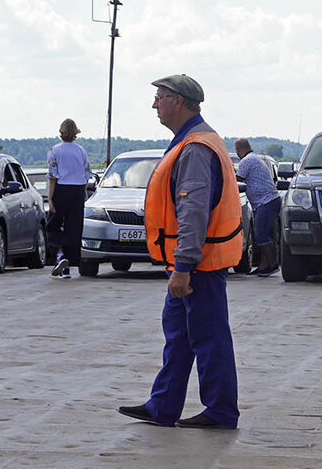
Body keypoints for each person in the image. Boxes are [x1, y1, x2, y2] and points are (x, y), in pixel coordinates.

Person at [118, 73, 242, 430]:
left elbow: (193, 211)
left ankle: (220, 411)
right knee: (180, 335)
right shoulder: (192, 142)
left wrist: (184, 265)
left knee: (208, 337)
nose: (154, 103)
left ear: (179, 101)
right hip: (190, 263)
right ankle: (164, 406)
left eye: (159, 96)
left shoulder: (195, 148)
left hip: (198, 265)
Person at [46, 119, 92, 279]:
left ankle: (60, 256)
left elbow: (52, 176)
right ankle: (68, 265)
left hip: (62, 189)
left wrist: (50, 198)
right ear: (75, 133)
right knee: (74, 229)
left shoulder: (54, 151)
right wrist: (82, 194)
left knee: (53, 226)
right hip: (78, 191)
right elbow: (87, 175)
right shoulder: (81, 151)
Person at [234, 138, 281, 277]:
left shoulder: (246, 161)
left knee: (261, 234)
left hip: (265, 202)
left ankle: (272, 264)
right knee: (263, 234)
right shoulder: (255, 158)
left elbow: (238, 180)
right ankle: (263, 266)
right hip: (269, 201)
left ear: (238, 150)